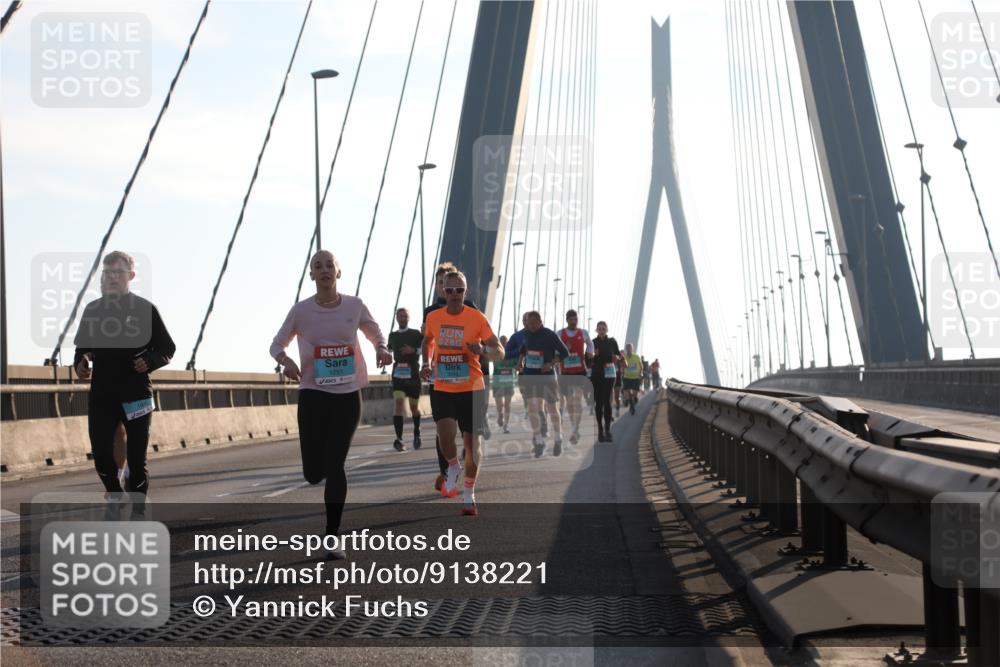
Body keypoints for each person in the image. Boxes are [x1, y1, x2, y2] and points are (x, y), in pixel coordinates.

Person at [271, 250, 392, 558]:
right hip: (313, 393)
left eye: (329, 265)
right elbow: (276, 344)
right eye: (318, 266)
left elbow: (374, 332)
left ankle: (332, 536)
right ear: (311, 275)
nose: (324, 270)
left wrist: (381, 348)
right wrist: (286, 361)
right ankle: (320, 470)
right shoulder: (301, 311)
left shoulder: (355, 305)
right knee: (313, 473)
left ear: (339, 272)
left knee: (336, 465)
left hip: (347, 395)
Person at [74, 250, 175, 499]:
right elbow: (81, 350)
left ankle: (138, 511)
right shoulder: (93, 310)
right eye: (107, 273)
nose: (112, 277)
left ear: (131, 275)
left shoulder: (145, 309)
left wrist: (149, 361)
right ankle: (114, 493)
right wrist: (81, 364)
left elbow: (167, 348)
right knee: (101, 455)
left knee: (137, 460)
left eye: (118, 272)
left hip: (136, 394)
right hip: (103, 395)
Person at [421, 271, 504, 516]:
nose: (455, 294)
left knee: (471, 443)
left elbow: (499, 351)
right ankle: (453, 466)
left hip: (472, 387)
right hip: (443, 386)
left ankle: (469, 494)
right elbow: (427, 341)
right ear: (443, 291)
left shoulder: (476, 317)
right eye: (450, 290)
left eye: (459, 290)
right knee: (445, 435)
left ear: (466, 292)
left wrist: (483, 349)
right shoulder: (433, 317)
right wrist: (425, 362)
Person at [515, 311, 570, 457]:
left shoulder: (550, 335)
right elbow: (523, 350)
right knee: (532, 408)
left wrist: (551, 363)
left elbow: (565, 353)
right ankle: (539, 441)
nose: (530, 326)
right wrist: (519, 363)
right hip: (530, 376)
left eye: (533, 323)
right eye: (528, 323)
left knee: (552, 408)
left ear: (540, 321)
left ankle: (558, 438)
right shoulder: (527, 333)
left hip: (547, 377)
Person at [387, 307, 423, 452]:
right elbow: (388, 350)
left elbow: (426, 349)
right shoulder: (392, 335)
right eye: (400, 316)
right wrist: (384, 356)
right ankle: (399, 439)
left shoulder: (416, 334)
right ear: (396, 318)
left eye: (404, 316)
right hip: (398, 375)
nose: (402, 318)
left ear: (408, 318)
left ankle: (417, 431)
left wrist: (413, 350)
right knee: (398, 404)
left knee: (414, 408)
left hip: (413, 375)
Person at [556, 309, 593, 444]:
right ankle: (574, 427)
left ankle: (575, 429)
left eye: (575, 319)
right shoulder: (560, 333)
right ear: (567, 320)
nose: (574, 322)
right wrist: (564, 348)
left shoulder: (583, 333)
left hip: (579, 371)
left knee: (577, 400)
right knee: (570, 403)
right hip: (565, 372)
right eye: (571, 319)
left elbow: (590, 344)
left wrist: (590, 352)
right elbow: (555, 350)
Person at [589, 321, 622, 442]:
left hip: (609, 374)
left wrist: (616, 357)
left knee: (607, 401)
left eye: (603, 328)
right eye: (599, 329)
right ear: (596, 330)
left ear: (606, 330)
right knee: (598, 403)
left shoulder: (612, 341)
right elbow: (587, 361)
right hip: (597, 374)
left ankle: (607, 430)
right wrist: (592, 356)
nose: (601, 331)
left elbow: (618, 356)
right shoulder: (592, 343)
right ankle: (600, 430)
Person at [492, 335, 516, 434]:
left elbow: (517, 364)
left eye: (505, 343)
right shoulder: (495, 353)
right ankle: (500, 414)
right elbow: (491, 360)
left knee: (507, 404)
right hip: (497, 382)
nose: (504, 344)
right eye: (502, 342)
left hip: (509, 382)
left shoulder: (512, 353)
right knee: (500, 405)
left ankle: (506, 425)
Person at [622, 343, 643, 415]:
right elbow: (622, 366)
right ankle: (631, 404)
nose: (628, 349)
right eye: (627, 347)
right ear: (626, 349)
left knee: (635, 394)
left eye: (630, 347)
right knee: (628, 391)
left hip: (635, 377)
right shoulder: (624, 357)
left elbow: (641, 365)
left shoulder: (636, 356)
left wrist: (641, 373)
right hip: (627, 377)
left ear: (632, 348)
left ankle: (632, 401)